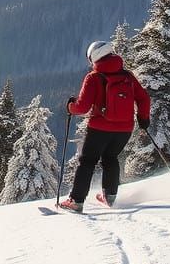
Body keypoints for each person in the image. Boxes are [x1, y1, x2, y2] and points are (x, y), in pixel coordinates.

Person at [58, 40, 150, 212]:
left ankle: (76, 201)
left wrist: (70, 107)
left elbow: (82, 107)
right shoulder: (127, 76)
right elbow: (144, 98)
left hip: (99, 128)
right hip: (125, 129)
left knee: (87, 161)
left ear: (94, 57)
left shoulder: (93, 78)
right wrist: (144, 118)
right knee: (111, 158)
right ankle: (110, 197)